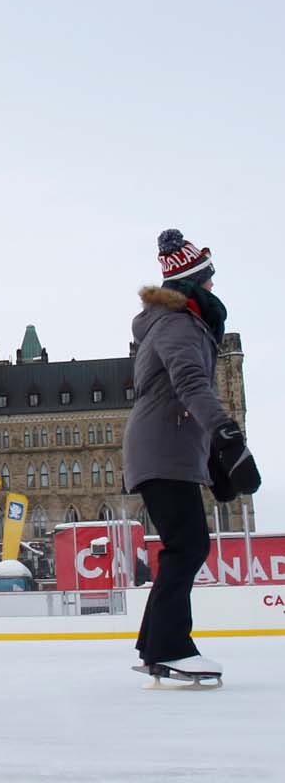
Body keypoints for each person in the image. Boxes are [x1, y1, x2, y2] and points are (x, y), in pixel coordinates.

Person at [123, 229, 261, 683]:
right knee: (189, 546)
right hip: (162, 451)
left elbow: (176, 399)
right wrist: (227, 435)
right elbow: (190, 386)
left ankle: (154, 646)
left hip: (168, 449)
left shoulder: (174, 324)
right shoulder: (179, 325)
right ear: (192, 284)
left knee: (185, 546)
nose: (213, 288)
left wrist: (210, 460)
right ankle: (172, 647)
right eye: (208, 279)